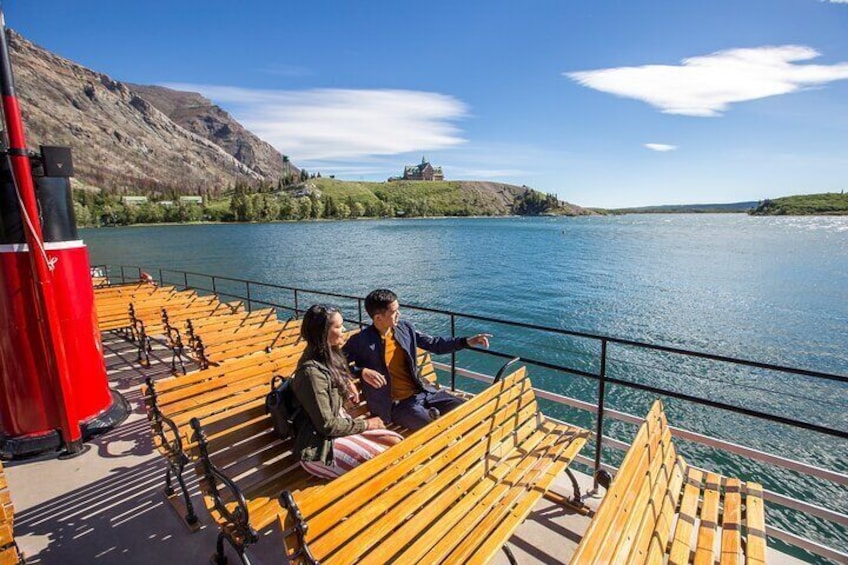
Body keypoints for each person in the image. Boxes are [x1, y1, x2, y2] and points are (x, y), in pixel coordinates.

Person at [343, 289, 492, 431]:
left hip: (423, 393)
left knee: (466, 409)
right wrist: (361, 372)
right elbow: (335, 363)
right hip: (397, 405)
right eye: (394, 312)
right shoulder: (360, 341)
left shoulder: (405, 328)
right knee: (435, 428)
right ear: (378, 318)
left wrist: (466, 341)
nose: (399, 314)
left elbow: (434, 344)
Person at [292, 304, 402, 479]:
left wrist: (347, 381)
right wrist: (367, 424)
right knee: (385, 461)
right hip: (320, 446)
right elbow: (327, 425)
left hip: (339, 427)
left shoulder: (330, 354)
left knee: (397, 443)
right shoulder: (310, 373)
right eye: (337, 326)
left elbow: (343, 371)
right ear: (323, 333)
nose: (343, 329)